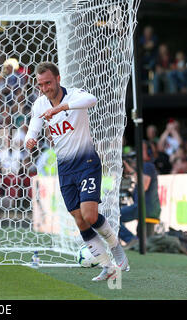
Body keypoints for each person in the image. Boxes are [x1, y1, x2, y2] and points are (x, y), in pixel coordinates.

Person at [24, 62, 129, 281]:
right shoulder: (40, 103)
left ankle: (117, 250)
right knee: (79, 219)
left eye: (48, 83)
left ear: (58, 78)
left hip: (87, 162)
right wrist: (30, 139)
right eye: (40, 85)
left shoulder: (74, 95)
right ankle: (106, 266)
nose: (45, 88)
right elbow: (34, 126)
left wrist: (62, 107)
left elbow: (92, 100)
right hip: (64, 168)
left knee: (89, 215)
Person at [119, 141, 161, 249]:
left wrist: (132, 172)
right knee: (145, 245)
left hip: (145, 208)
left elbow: (144, 186)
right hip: (145, 208)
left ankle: (130, 239)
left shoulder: (148, 165)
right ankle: (133, 240)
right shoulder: (145, 167)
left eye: (141, 149)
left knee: (113, 218)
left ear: (148, 152)